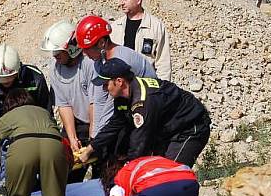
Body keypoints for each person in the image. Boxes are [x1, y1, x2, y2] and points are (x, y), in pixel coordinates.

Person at [77, 58, 210, 167]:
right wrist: (91, 148)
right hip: (167, 128)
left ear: (119, 82)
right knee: (154, 172)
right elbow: (115, 125)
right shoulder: (123, 96)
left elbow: (139, 141)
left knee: (169, 176)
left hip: (190, 127)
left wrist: (128, 166)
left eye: (106, 84)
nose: (104, 89)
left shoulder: (143, 101)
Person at [74, 15, 156, 140]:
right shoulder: (99, 62)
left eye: (87, 49)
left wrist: (97, 144)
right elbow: (99, 100)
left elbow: (110, 104)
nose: (84, 54)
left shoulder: (121, 60)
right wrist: (94, 138)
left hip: (149, 106)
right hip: (130, 105)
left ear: (102, 43)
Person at [40, 19, 94, 183]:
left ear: (71, 48)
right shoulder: (56, 68)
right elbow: (64, 104)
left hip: (98, 120)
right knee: (67, 170)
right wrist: (72, 137)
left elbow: (95, 103)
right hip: (77, 121)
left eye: (58, 53)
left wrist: (93, 139)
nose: (55, 57)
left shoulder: (89, 63)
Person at [0, 43, 51, 133]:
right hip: (5, 128)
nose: (5, 81)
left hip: (35, 126)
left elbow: (46, 112)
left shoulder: (35, 79)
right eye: (0, 79)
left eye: (9, 77)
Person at [111, 0, 172, 80]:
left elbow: (163, 62)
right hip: (121, 87)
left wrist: (162, 89)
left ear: (138, 0)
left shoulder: (155, 26)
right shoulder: (115, 27)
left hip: (147, 85)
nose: (121, 3)